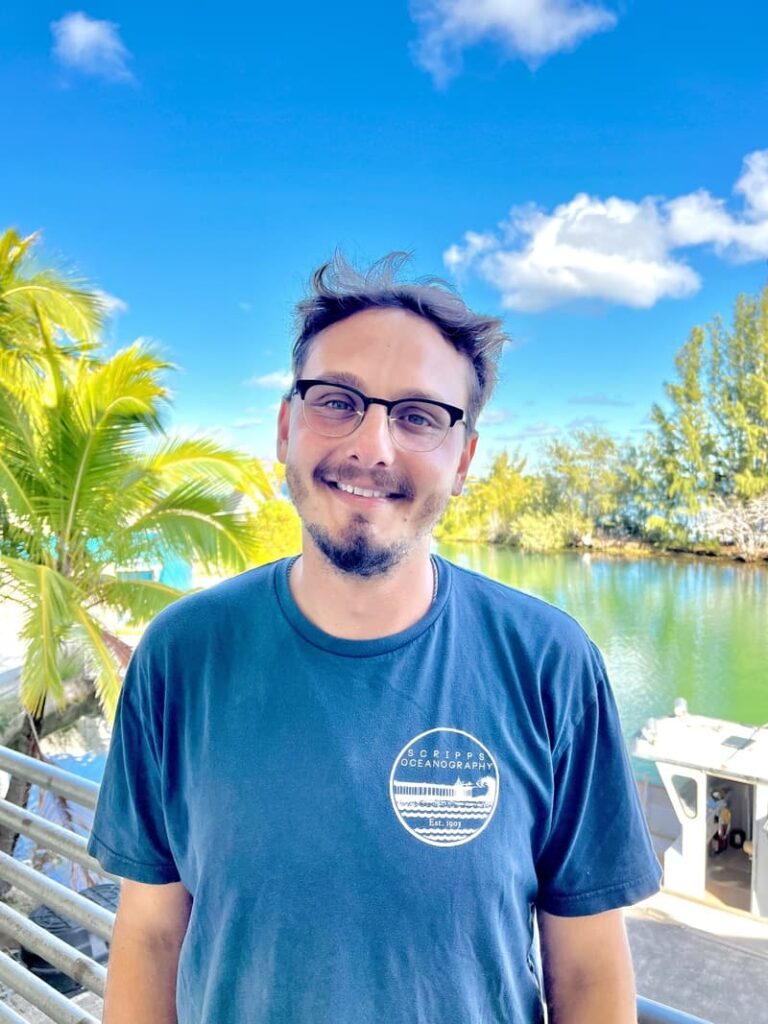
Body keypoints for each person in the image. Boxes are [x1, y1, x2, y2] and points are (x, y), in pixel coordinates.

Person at [87, 252, 661, 1024]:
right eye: (337, 401)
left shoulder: (551, 664)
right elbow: (153, 936)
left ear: (463, 460)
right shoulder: (181, 656)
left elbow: (588, 969)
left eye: (419, 415)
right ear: (286, 426)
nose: (373, 446)